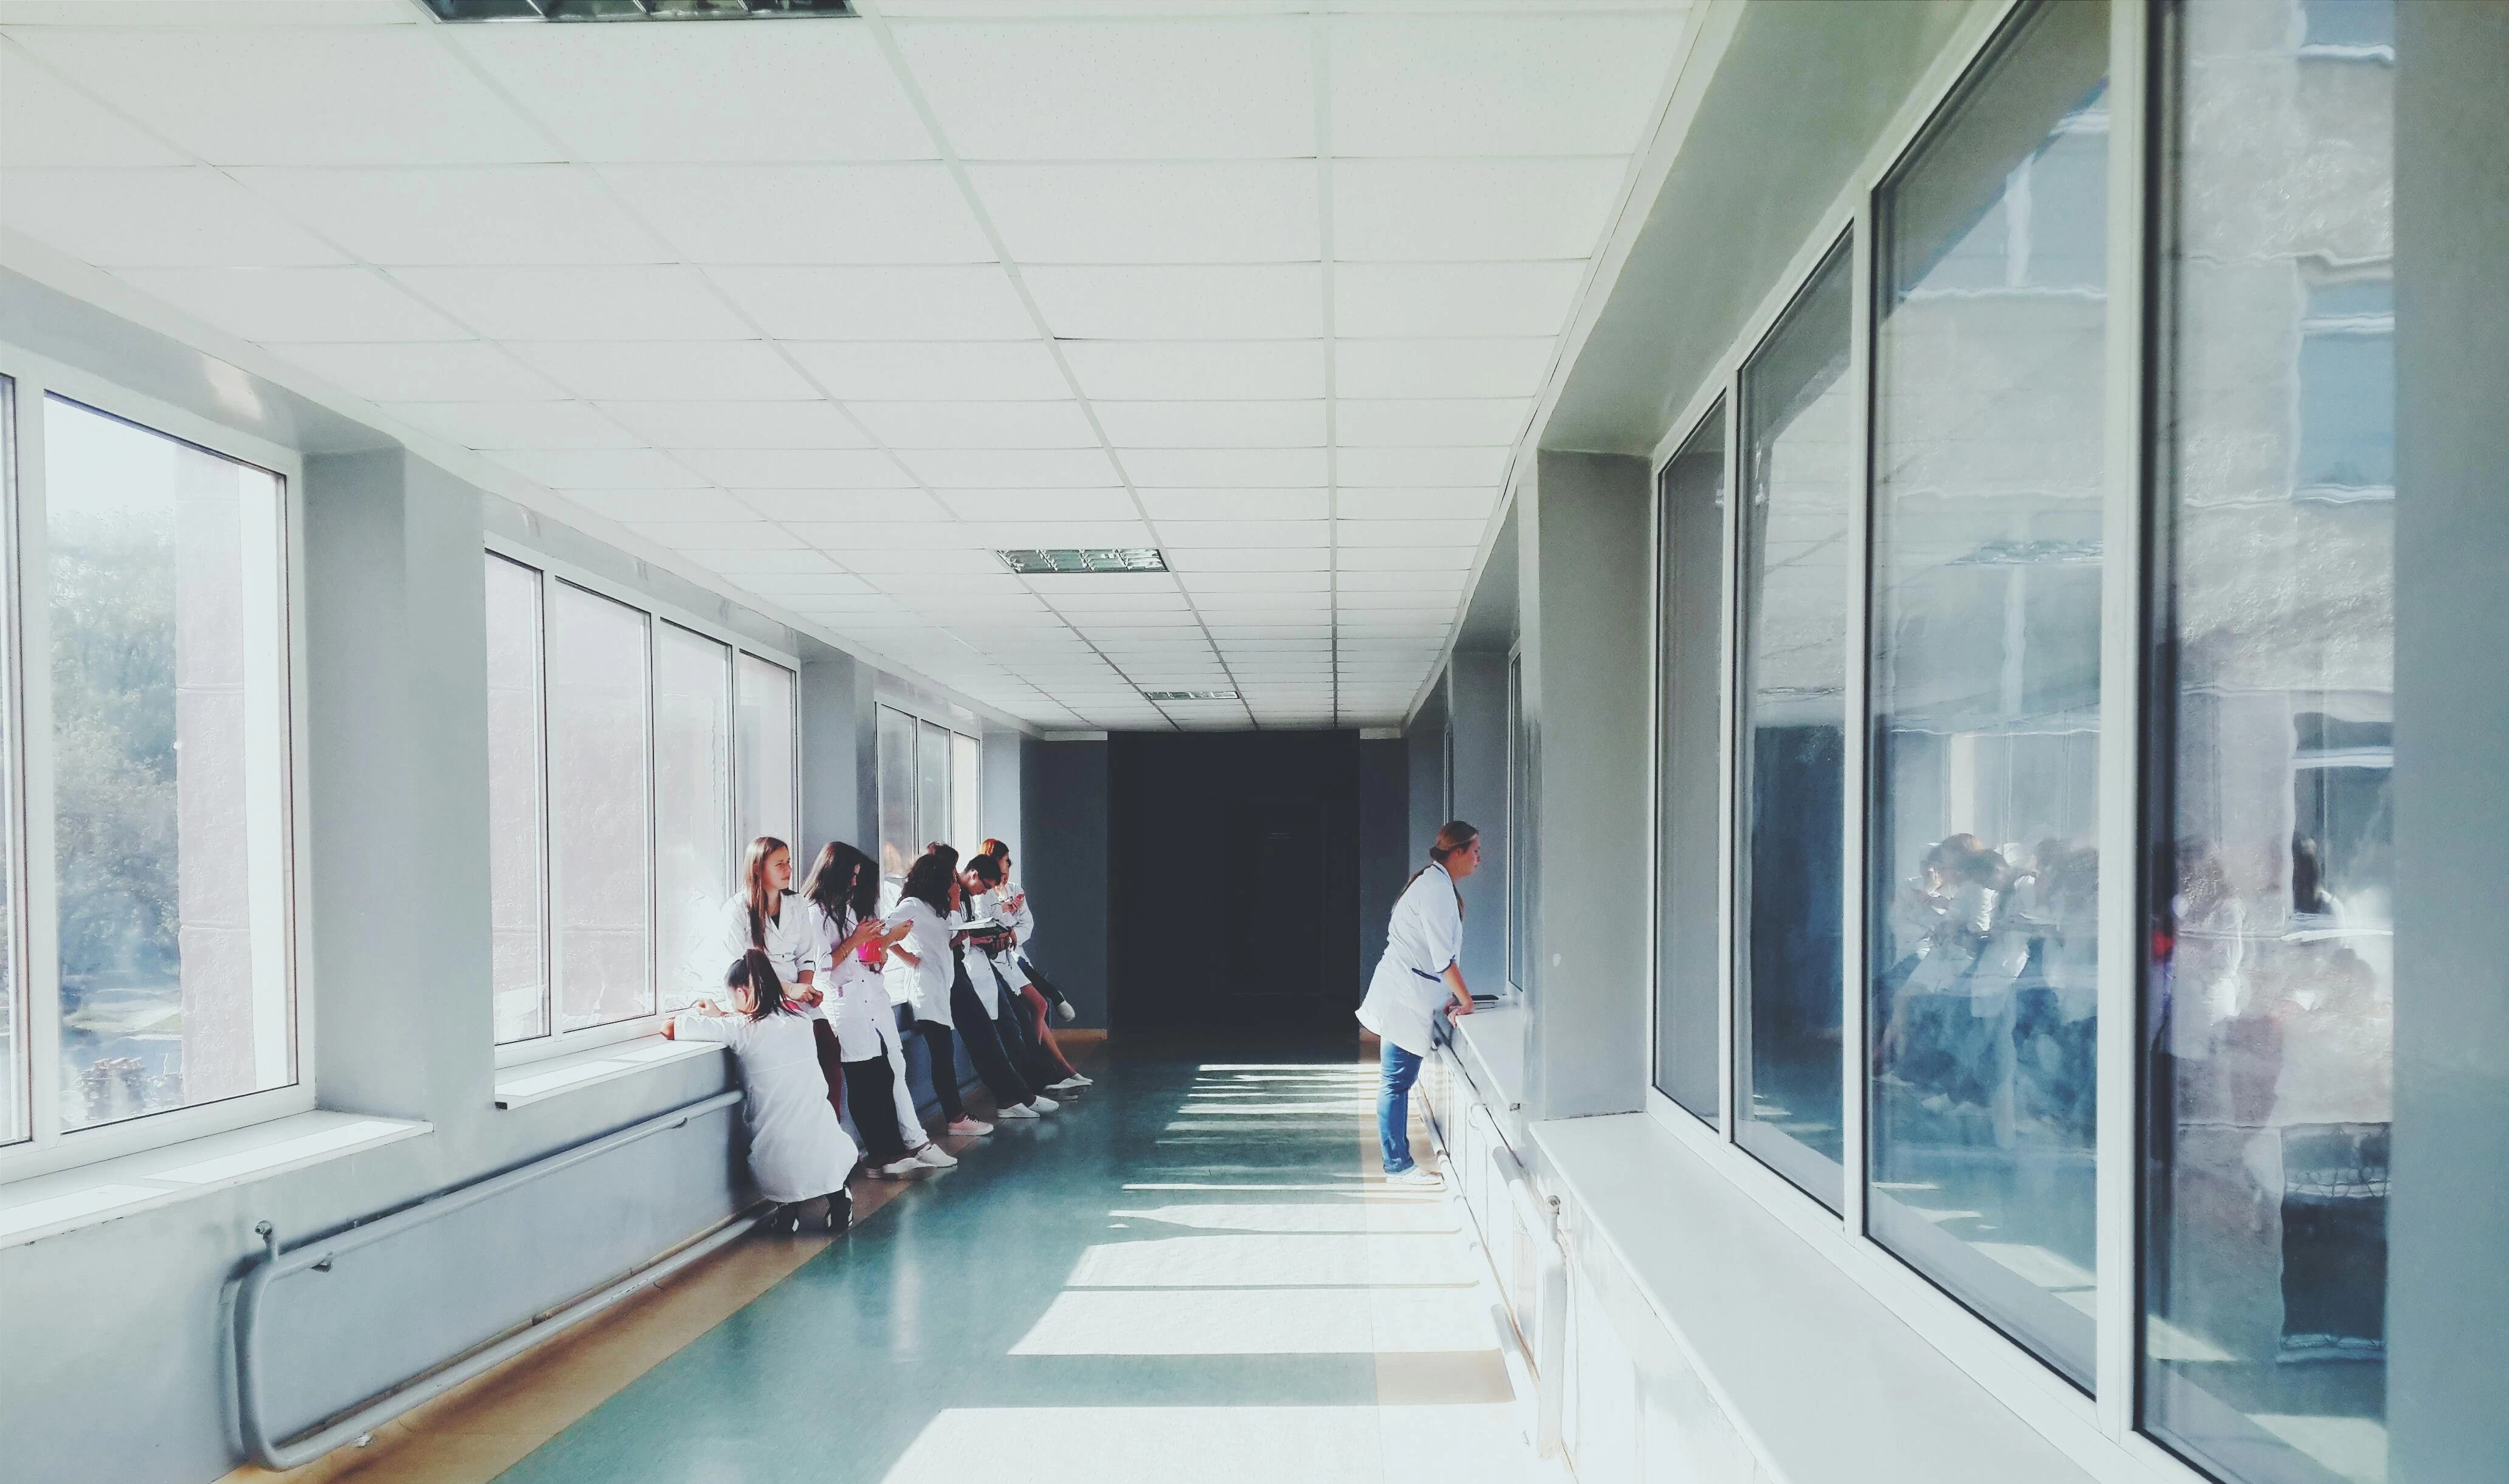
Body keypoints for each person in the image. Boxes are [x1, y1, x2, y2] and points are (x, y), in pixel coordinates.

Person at [662, 950, 857, 1234]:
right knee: (825, 1142)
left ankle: (787, 1211)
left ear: (742, 993)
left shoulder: (740, 1029)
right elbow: (765, 1020)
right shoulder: (800, 1022)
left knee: (780, 1153)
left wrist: (712, 1015)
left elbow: (668, 1028)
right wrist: (727, 1013)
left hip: (775, 1168)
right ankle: (840, 1201)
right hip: (828, 1153)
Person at [798, 842, 955, 1178]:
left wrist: (878, 951)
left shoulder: (845, 910)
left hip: (868, 998)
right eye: (851, 876)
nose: (855, 884)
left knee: (882, 1075)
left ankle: (892, 1150)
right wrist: (858, 941)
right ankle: (881, 1155)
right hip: (845, 1005)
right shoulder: (813, 913)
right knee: (862, 1081)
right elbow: (822, 966)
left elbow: (862, 956)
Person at [1357, 821, 1481, 1186]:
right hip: (1402, 997)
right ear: (1456, 852)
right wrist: (1466, 1001)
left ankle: (1398, 1163)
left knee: (1395, 1081)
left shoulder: (1434, 883)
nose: (1479, 858)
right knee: (1395, 1082)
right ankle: (1397, 1166)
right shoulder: (1437, 891)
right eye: (1475, 851)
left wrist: (1450, 996)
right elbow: (1443, 959)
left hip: (1405, 992)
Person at [884, 850, 993, 1138]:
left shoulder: (933, 908)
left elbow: (948, 935)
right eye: (948, 880)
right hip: (926, 990)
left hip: (940, 987)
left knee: (945, 1052)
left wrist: (957, 935)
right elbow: (882, 931)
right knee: (942, 1056)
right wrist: (906, 956)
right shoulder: (912, 905)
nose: (953, 884)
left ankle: (956, 1115)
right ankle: (955, 1117)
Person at [965, 852, 1086, 1095]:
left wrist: (1005, 929)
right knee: (1019, 1018)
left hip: (1004, 958)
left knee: (1031, 1011)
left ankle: (1047, 1073)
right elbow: (969, 933)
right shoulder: (967, 896)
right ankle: (1039, 1077)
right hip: (990, 965)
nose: (1007, 868)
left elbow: (1021, 924)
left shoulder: (991, 892)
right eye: (1005, 862)